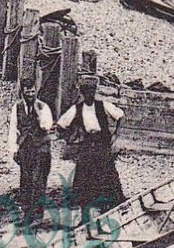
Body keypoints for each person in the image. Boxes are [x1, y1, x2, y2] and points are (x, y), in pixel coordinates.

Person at [56, 76, 125, 222]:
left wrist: (115, 135)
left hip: (102, 144)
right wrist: (72, 139)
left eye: (92, 91)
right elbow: (61, 125)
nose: (90, 94)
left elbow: (120, 116)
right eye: (87, 91)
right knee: (83, 180)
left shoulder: (103, 105)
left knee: (108, 176)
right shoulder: (77, 109)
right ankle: (85, 216)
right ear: (82, 92)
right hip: (87, 145)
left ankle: (112, 212)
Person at [8, 78, 54, 220]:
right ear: (23, 91)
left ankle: (38, 213)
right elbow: (13, 129)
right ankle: (27, 212)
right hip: (25, 148)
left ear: (36, 90)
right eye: (27, 90)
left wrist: (39, 116)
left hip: (41, 148)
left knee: (39, 180)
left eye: (32, 90)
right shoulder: (18, 107)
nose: (30, 93)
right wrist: (14, 149)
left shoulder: (43, 107)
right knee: (26, 179)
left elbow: (47, 126)